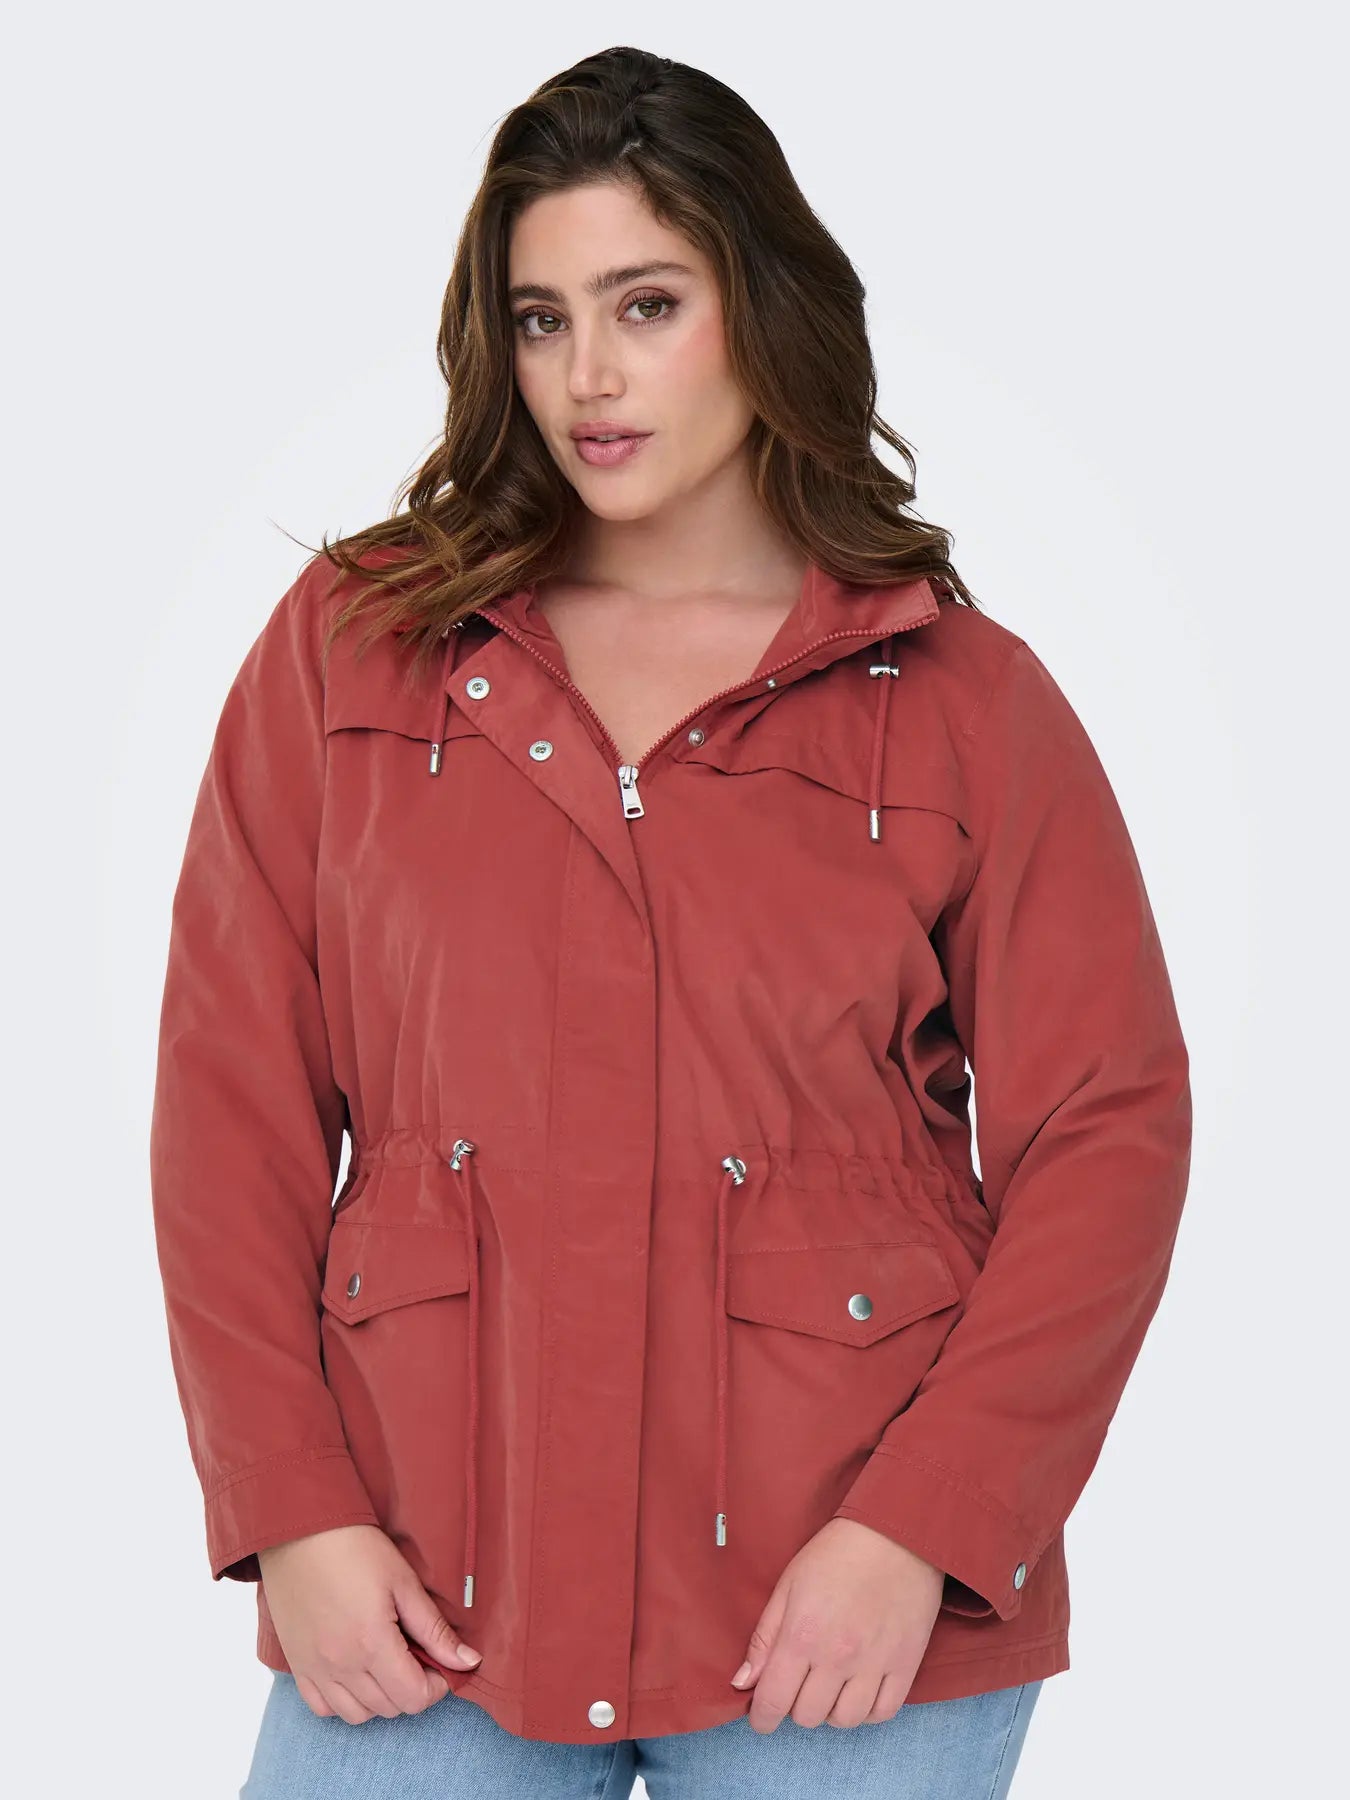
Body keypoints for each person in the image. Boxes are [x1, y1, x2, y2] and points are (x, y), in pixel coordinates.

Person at [148, 44, 1192, 1800]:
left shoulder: (958, 699)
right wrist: (292, 1510)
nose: (589, 375)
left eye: (646, 304)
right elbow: (230, 1104)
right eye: (540, 318)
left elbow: (1108, 1130)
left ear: (759, 309)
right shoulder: (353, 651)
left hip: (841, 1605)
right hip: (421, 1590)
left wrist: (925, 1528)